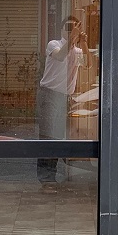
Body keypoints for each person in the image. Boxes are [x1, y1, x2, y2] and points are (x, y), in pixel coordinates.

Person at [37, 16, 89, 184]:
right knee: (48, 136)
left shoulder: (77, 51)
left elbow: (87, 64)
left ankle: (56, 176)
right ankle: (46, 179)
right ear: (61, 30)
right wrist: (72, 38)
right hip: (50, 95)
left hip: (66, 98)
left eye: (74, 28)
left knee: (60, 136)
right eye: (67, 27)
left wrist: (83, 43)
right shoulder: (54, 45)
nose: (70, 31)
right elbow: (60, 56)